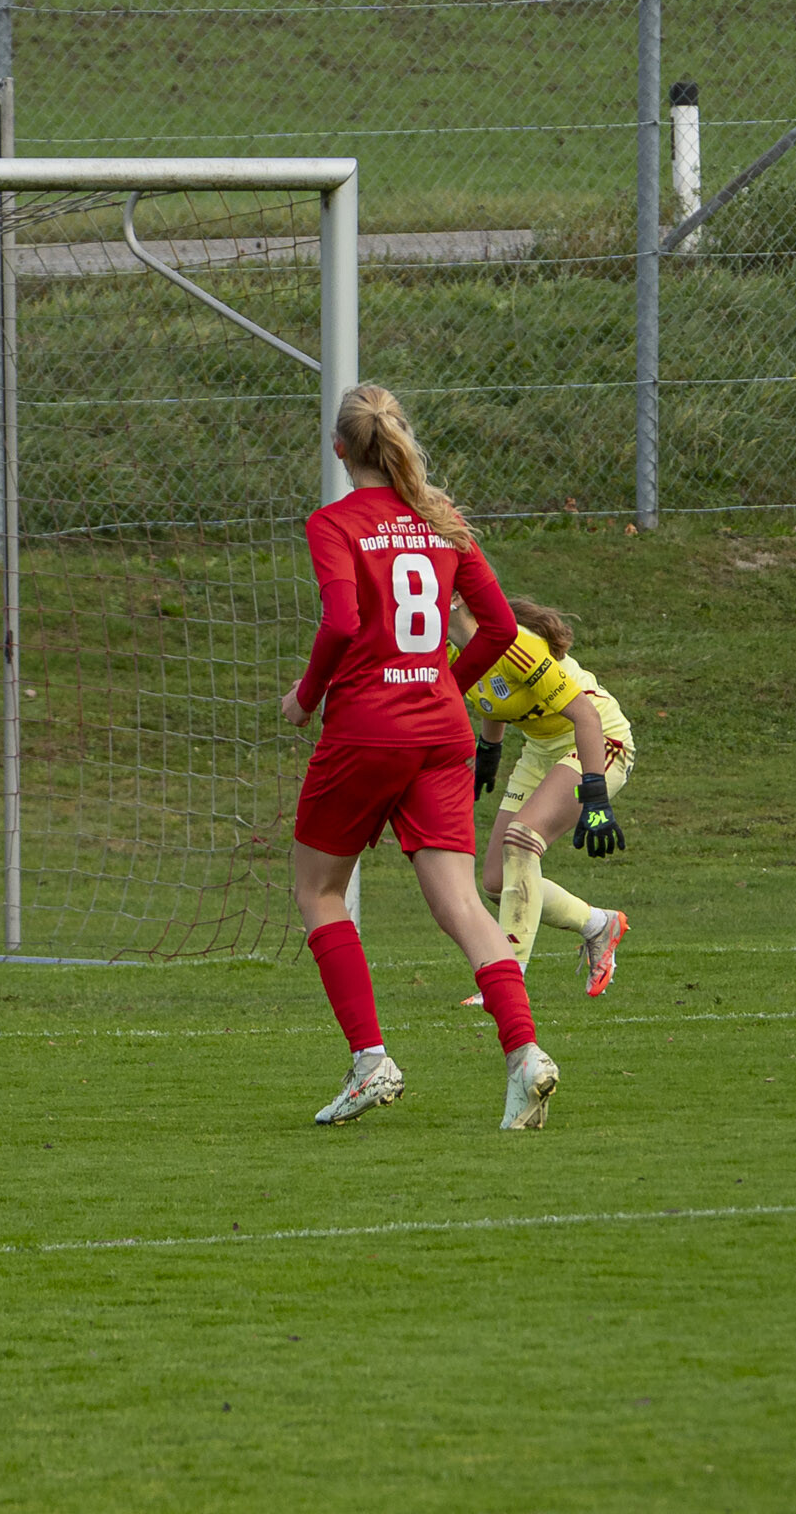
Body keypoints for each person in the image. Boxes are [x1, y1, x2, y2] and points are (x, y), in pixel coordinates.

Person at [280, 384, 560, 1131]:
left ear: (339, 449)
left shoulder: (334, 523)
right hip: (440, 733)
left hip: (367, 729)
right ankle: (524, 1053)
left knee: (318, 891)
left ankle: (370, 1060)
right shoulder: (441, 519)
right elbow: (499, 629)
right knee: (462, 904)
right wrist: (442, 687)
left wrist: (306, 697)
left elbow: (341, 623)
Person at [452, 597, 633, 998]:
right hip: (541, 750)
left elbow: (586, 716)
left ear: (455, 598)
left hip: (598, 738)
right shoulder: (451, 650)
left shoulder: (514, 644)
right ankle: (598, 924)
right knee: (497, 881)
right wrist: (489, 750)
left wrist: (596, 797)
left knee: (522, 838)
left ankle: (506, 979)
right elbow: (491, 696)